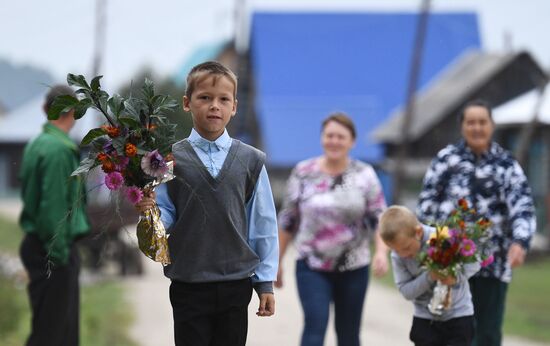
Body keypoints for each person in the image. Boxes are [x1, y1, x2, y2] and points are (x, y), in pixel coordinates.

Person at [135, 61, 278, 346]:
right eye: (205, 98)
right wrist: (148, 212)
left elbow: (262, 223)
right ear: (187, 103)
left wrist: (265, 283)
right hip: (189, 282)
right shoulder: (168, 159)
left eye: (223, 99)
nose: (215, 106)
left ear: (234, 106)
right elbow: (166, 214)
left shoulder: (251, 160)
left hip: (236, 282)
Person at [416, 99, 536, 346]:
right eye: (471, 122)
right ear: (462, 126)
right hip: (450, 264)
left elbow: (522, 205)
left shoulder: (506, 164)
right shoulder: (446, 160)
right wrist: (435, 242)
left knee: (487, 334)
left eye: (482, 122)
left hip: (493, 263)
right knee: (450, 332)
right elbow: (426, 205)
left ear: (491, 126)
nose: (477, 128)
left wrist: (521, 242)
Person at [276, 112, 389, 346]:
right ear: (322, 138)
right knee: (315, 324)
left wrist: (380, 252)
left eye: (341, 136)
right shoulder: (303, 172)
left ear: (352, 141)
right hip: (312, 265)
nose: (334, 141)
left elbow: (380, 217)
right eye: (330, 136)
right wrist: (276, 262)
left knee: (348, 333)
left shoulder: (364, 174)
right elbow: (288, 219)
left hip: (354, 265)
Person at [19, 85, 90, 346]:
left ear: (44, 109)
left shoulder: (38, 143)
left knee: (47, 327)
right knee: (55, 335)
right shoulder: (59, 150)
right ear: (74, 112)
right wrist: (60, 257)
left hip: (37, 244)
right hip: (53, 250)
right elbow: (54, 210)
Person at [379, 205, 479, 346]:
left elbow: (476, 261)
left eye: (406, 248)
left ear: (418, 232)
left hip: (458, 315)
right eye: (396, 250)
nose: (403, 254)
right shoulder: (398, 256)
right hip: (425, 320)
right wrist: (430, 276)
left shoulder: (443, 237)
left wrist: (456, 277)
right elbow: (406, 291)